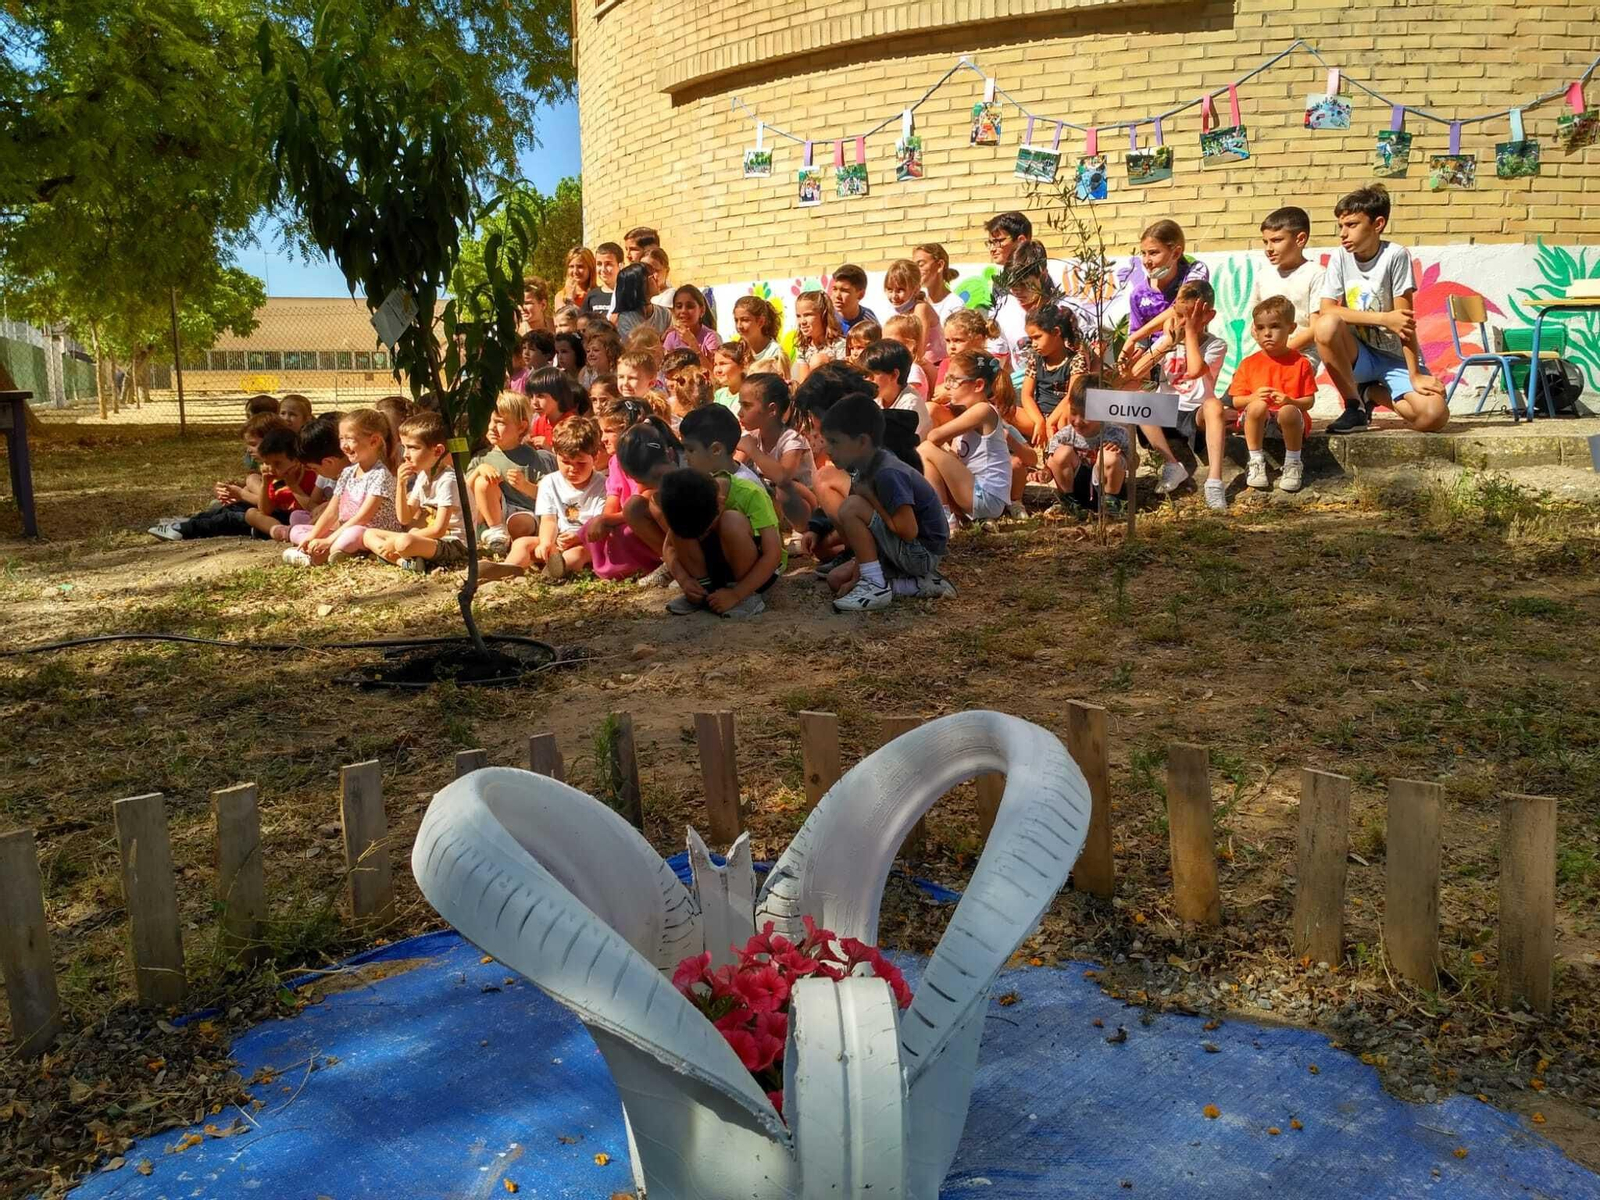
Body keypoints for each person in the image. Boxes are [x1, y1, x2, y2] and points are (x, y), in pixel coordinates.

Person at [1315, 183, 1447, 434]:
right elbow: (1327, 310)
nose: (1343, 233)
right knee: (1325, 325)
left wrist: (1415, 374)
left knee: (1433, 416)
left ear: (1378, 224)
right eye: (1341, 226)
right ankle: (1354, 406)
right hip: (1359, 355)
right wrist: (1383, 318)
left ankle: (1371, 393)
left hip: (1395, 358)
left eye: (1352, 225)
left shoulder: (1395, 256)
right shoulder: (1340, 257)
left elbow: (1405, 322)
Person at [817, 394, 952, 611]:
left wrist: (869, 497)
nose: (828, 450)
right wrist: (854, 577)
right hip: (903, 548)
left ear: (862, 441)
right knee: (836, 579)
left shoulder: (887, 473)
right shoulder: (864, 466)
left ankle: (875, 586)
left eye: (834, 442)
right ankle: (918, 584)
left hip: (921, 553)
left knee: (852, 507)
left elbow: (908, 530)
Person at [1122, 279, 1228, 507]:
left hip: (1195, 413)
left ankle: (1214, 481)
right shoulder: (1169, 340)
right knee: (1139, 397)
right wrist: (1167, 341)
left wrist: (1189, 332)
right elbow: (1136, 373)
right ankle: (1172, 464)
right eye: (1178, 315)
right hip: (1168, 411)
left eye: (1188, 316)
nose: (1181, 322)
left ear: (1208, 316)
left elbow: (1194, 371)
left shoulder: (1216, 345)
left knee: (1214, 405)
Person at [484, 416, 608, 582]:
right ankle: (508, 569)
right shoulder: (549, 482)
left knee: (576, 554)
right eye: (566, 462)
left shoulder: (602, 485)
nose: (572, 469)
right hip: (558, 539)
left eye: (581, 463)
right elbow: (548, 520)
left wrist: (579, 537)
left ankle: (553, 572)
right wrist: (546, 542)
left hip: (587, 542)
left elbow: (598, 523)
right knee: (522, 543)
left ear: (595, 457)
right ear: (556, 455)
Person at [282, 408, 402, 565]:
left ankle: (319, 555)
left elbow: (363, 518)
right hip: (345, 527)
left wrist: (329, 539)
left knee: (350, 536)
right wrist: (314, 536)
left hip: (367, 531)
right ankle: (327, 551)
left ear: (373, 441)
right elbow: (332, 511)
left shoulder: (380, 475)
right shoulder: (347, 473)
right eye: (341, 439)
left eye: (350, 439)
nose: (344, 446)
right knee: (297, 529)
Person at [657, 467, 780, 618]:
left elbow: (773, 554)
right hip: (713, 571)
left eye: (706, 530)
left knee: (731, 521)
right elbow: (668, 547)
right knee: (679, 533)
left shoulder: (751, 494)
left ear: (721, 502)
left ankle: (747, 596)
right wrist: (684, 580)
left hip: (756, 572)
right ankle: (704, 591)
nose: (701, 536)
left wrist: (736, 594)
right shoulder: (686, 499)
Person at [1229, 296, 1317, 492]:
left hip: (1290, 422)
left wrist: (1290, 400)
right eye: (1260, 328)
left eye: (1275, 326)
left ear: (1291, 328)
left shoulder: (1301, 363)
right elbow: (1236, 401)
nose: (1267, 333)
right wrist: (1253, 398)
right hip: (1258, 420)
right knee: (1258, 406)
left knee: (1288, 411)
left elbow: (1309, 401)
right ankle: (1256, 461)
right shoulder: (1248, 363)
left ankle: (1293, 463)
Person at [363, 410, 468, 572]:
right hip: (429, 540)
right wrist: (401, 484)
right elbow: (404, 518)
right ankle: (404, 563)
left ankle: (403, 555)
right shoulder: (423, 476)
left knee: (404, 542)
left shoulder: (449, 480)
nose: (406, 455)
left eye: (413, 448)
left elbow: (439, 530)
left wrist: (402, 540)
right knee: (368, 534)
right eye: (404, 447)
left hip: (453, 543)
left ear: (438, 451)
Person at [919, 352, 1017, 526]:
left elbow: (934, 437)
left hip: (987, 496)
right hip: (975, 494)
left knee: (925, 448)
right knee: (928, 458)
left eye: (953, 380)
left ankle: (945, 522)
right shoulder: (968, 414)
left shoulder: (983, 410)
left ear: (978, 385)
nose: (947, 387)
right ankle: (949, 517)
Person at [584, 397, 666, 583]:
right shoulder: (614, 462)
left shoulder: (643, 459)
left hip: (643, 520)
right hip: (622, 518)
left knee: (626, 535)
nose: (603, 439)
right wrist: (605, 520)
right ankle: (570, 557)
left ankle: (665, 562)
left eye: (610, 431)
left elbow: (644, 500)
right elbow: (613, 496)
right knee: (589, 529)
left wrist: (608, 519)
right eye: (602, 432)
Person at [467, 391, 555, 553]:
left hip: (524, 511)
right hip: (491, 513)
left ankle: (509, 541)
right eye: (490, 421)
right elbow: (464, 492)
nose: (492, 427)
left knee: (518, 525)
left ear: (521, 427)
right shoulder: (481, 457)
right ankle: (496, 533)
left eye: (500, 422)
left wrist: (524, 485)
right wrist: (478, 471)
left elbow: (546, 495)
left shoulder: (531, 456)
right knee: (482, 481)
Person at [1118, 219, 1210, 367]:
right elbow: (1141, 340)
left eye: (1153, 253)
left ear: (1176, 253)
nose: (1147, 261)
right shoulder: (1138, 294)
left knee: (1172, 323)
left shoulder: (1195, 271)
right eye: (1143, 253)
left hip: (1191, 356)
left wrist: (1133, 338)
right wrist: (1128, 362)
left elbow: (1182, 308)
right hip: (1155, 364)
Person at [736, 372, 817, 534]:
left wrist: (753, 450)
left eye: (747, 406)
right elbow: (734, 469)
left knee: (783, 487)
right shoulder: (752, 438)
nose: (739, 412)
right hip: (774, 505)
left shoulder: (792, 439)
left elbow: (783, 477)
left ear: (771, 410)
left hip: (805, 506)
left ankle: (801, 532)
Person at [1248, 206, 1325, 372]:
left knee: (1281, 384)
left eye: (1276, 240)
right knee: (1236, 393)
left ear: (1300, 239)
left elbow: (1316, 327)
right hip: (1265, 353)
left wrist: (1283, 348)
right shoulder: (1263, 276)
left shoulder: (1316, 274)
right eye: (1265, 242)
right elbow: (1254, 321)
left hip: (1301, 355)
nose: (1268, 248)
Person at [614, 415, 688, 586]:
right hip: (677, 532)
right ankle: (674, 564)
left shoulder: (691, 463)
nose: (657, 485)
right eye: (645, 482)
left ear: (670, 454)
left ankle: (692, 566)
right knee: (633, 507)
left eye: (658, 477)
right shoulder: (645, 464)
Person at [1044, 388, 1130, 515]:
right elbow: (1049, 460)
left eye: (1085, 415)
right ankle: (1069, 501)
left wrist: (1122, 455)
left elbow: (1135, 463)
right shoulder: (1065, 434)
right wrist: (1044, 472)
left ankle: (1111, 503)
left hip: (1106, 487)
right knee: (1061, 452)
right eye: (1073, 412)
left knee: (1109, 456)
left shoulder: (1117, 433)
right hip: (1077, 488)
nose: (1078, 421)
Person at [1026, 304, 1083, 448]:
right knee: (1007, 411)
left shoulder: (1075, 360)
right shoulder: (1035, 358)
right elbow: (1026, 395)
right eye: (1031, 339)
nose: (1034, 344)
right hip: (1037, 416)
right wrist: (1040, 421)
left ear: (1056, 332)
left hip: (1061, 416)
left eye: (1037, 337)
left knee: (1067, 414)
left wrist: (1050, 421)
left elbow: (1072, 396)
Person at [680, 403, 767, 492]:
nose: (685, 456)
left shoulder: (745, 490)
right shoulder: (710, 476)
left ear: (716, 450)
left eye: (691, 450)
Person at [862, 339, 931, 438]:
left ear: (894, 375)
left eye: (872, 375)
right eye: (865, 375)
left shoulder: (910, 405)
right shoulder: (876, 398)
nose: (867, 379)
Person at [884, 258, 947, 367]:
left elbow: (919, 350)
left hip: (933, 364)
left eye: (900, 290)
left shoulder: (921, 308)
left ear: (916, 289)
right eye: (889, 289)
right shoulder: (897, 311)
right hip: (912, 364)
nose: (894, 296)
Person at [792, 290, 847, 384]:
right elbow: (803, 382)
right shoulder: (803, 347)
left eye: (808, 315)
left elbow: (843, 379)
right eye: (798, 316)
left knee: (817, 360)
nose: (802, 321)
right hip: (811, 392)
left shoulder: (839, 344)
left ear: (823, 315)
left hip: (834, 391)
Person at [731, 295, 789, 377]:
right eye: (736, 320)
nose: (739, 326)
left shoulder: (775, 353)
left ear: (761, 322)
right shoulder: (739, 350)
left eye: (745, 320)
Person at [663, 284, 721, 364]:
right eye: (679, 306)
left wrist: (693, 344)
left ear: (702, 310)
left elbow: (714, 373)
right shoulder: (672, 337)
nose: (683, 311)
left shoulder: (711, 338)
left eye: (690, 306)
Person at [612, 262, 671, 340]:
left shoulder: (664, 313)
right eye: (652, 276)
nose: (656, 278)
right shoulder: (625, 319)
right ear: (639, 285)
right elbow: (635, 347)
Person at [882, 313, 933, 401]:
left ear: (910, 345)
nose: (885, 346)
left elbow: (907, 398)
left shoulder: (913, 370)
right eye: (883, 341)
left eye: (891, 342)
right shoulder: (890, 369)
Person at [912, 243, 966, 324]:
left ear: (940, 265)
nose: (916, 270)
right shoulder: (917, 300)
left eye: (921, 265)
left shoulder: (955, 305)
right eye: (914, 266)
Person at [663, 348, 714, 424]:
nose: (669, 384)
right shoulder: (665, 408)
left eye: (677, 379)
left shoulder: (712, 407)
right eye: (667, 378)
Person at [830, 264, 877, 335]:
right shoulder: (825, 318)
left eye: (844, 291)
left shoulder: (869, 320)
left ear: (861, 295)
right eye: (834, 289)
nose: (837, 295)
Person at [558, 246, 599, 312]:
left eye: (580, 266)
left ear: (590, 268)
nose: (575, 271)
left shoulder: (598, 295)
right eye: (571, 266)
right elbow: (564, 318)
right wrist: (569, 298)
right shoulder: (561, 296)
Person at [581, 326, 622, 390]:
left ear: (609, 353)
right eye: (588, 351)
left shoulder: (619, 373)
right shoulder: (586, 373)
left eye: (596, 350)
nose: (590, 354)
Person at [712, 340, 748, 411]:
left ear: (742, 365)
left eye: (723, 364)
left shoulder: (747, 396)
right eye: (715, 364)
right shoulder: (719, 394)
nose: (718, 370)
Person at [591, 241, 623, 311]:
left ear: (621, 266)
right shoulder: (592, 296)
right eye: (599, 264)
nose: (603, 269)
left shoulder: (629, 295)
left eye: (608, 264)